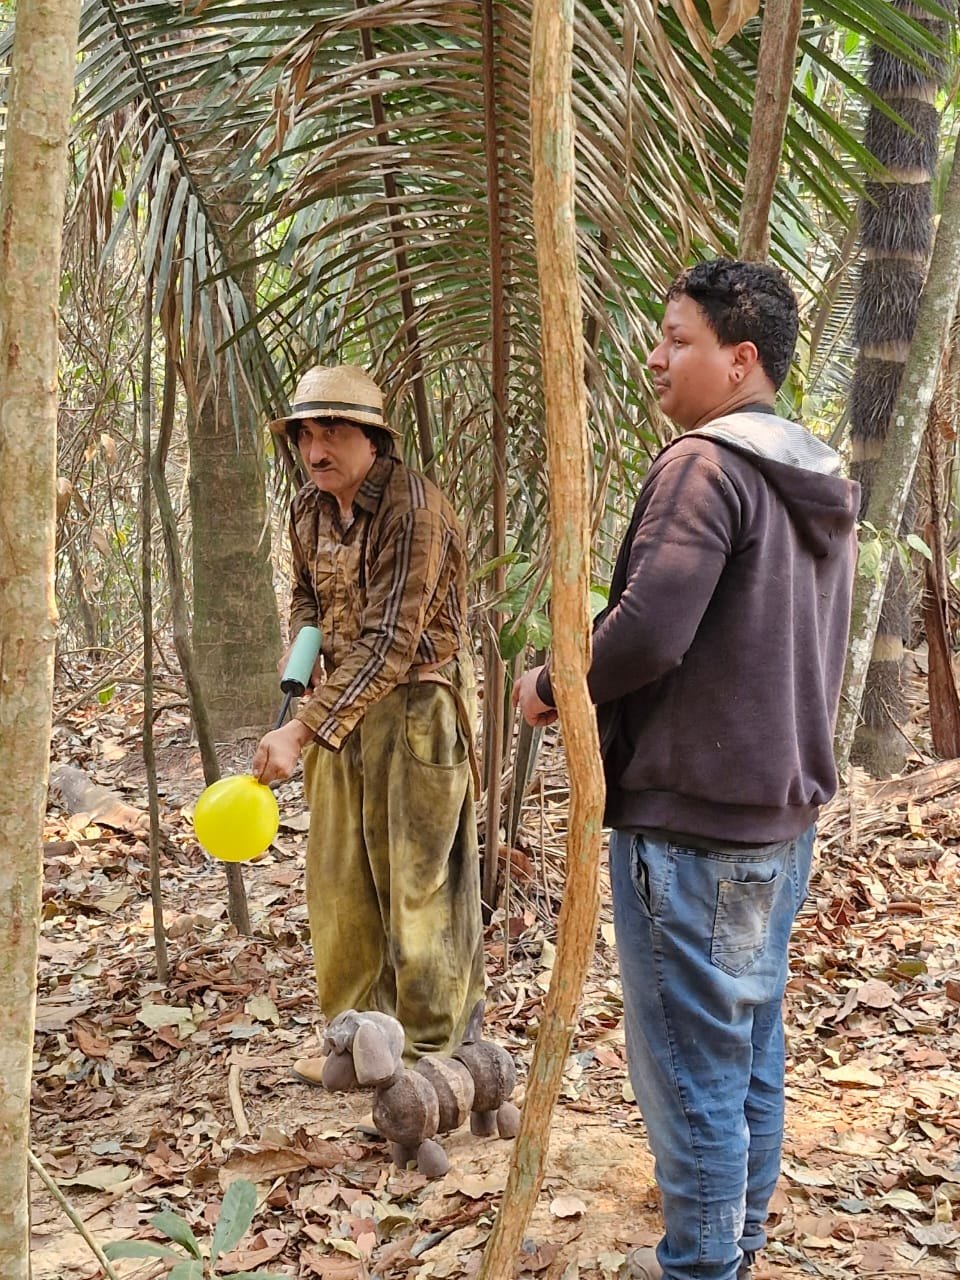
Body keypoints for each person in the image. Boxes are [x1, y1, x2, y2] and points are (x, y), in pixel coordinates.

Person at [514, 260, 859, 1280]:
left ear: (739, 358)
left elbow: (650, 632)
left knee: (692, 1067)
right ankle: (736, 1240)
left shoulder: (705, 465)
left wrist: (552, 682)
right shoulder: (817, 469)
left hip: (688, 826)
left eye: (677, 339)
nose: (654, 358)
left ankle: (703, 1263)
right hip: (775, 817)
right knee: (746, 1039)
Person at [253, 363, 485, 1066]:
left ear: (371, 439)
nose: (316, 451)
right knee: (338, 880)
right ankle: (359, 1037)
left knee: (417, 884)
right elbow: (305, 598)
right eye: (305, 436)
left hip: (416, 704)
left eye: (332, 433)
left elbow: (391, 639)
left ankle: (433, 1053)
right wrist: (304, 658)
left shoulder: (413, 510)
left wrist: (300, 728)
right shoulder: (307, 508)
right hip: (335, 706)